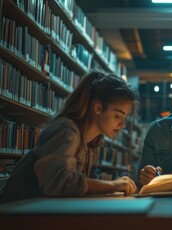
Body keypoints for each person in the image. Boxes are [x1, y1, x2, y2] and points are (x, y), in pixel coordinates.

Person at [0, 71, 138, 203]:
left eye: (125, 117)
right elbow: (58, 182)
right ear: (98, 108)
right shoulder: (66, 130)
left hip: (33, 213)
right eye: (118, 116)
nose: (123, 124)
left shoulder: (90, 143)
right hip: (13, 217)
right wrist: (112, 185)